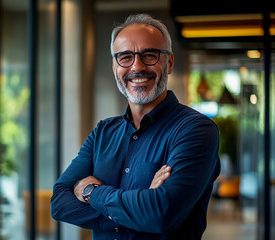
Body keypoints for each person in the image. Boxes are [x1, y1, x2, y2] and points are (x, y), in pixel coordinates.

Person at [51, 13, 220, 240]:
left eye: (149, 55)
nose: (137, 67)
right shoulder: (103, 132)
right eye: (125, 57)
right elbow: (59, 203)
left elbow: (161, 214)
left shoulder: (196, 130)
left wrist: (92, 192)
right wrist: (137, 210)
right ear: (114, 66)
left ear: (169, 63)